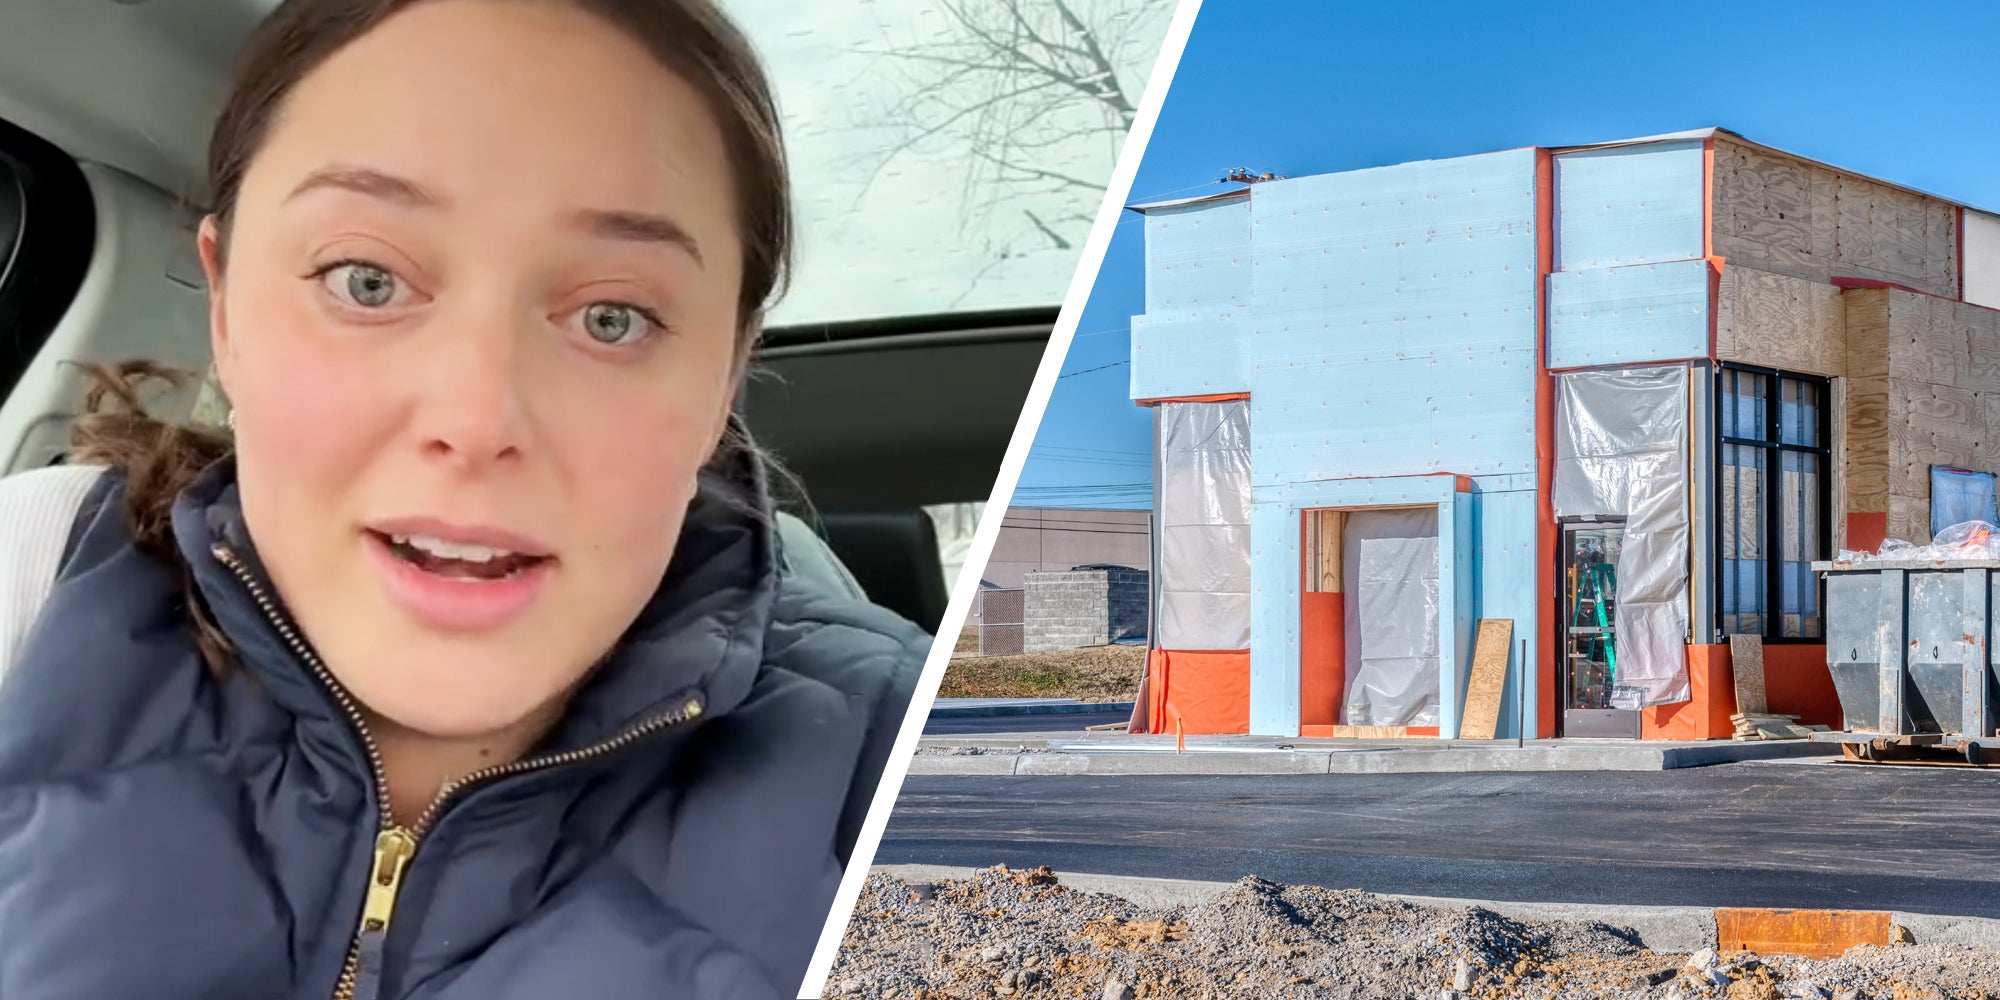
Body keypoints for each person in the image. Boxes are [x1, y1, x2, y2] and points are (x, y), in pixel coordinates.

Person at [0, 1, 928, 997]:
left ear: (724, 378)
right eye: (364, 280)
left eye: (611, 317)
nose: (478, 416)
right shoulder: (30, 577)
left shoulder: (910, 770)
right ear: (224, 308)